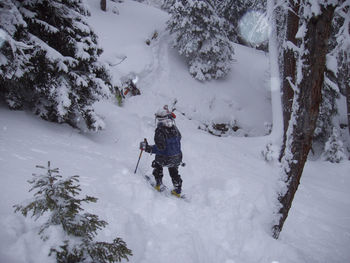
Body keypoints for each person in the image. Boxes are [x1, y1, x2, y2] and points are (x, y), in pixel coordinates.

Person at [140, 106, 183, 197]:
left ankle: (158, 184)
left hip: (165, 159)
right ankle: (177, 189)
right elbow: (179, 138)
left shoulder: (160, 131)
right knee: (174, 171)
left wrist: (147, 148)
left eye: (160, 120)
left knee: (157, 164)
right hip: (177, 157)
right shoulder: (175, 128)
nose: (159, 122)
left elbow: (160, 148)